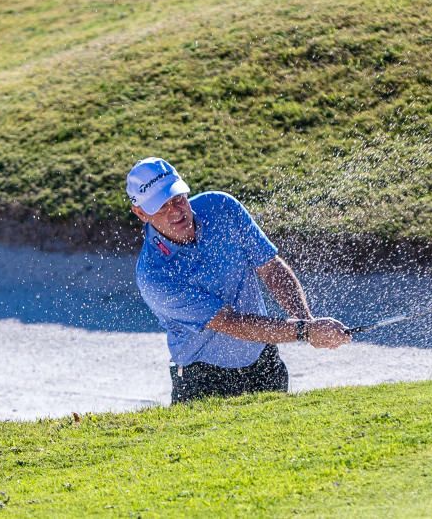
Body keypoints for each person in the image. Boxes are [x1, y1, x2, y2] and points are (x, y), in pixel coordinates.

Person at [127, 156, 351, 404]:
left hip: (264, 362)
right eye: (162, 206)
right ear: (140, 213)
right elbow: (230, 322)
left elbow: (270, 267)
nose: (176, 211)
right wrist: (305, 331)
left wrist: (308, 320)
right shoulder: (154, 275)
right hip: (204, 380)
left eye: (178, 198)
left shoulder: (221, 206)